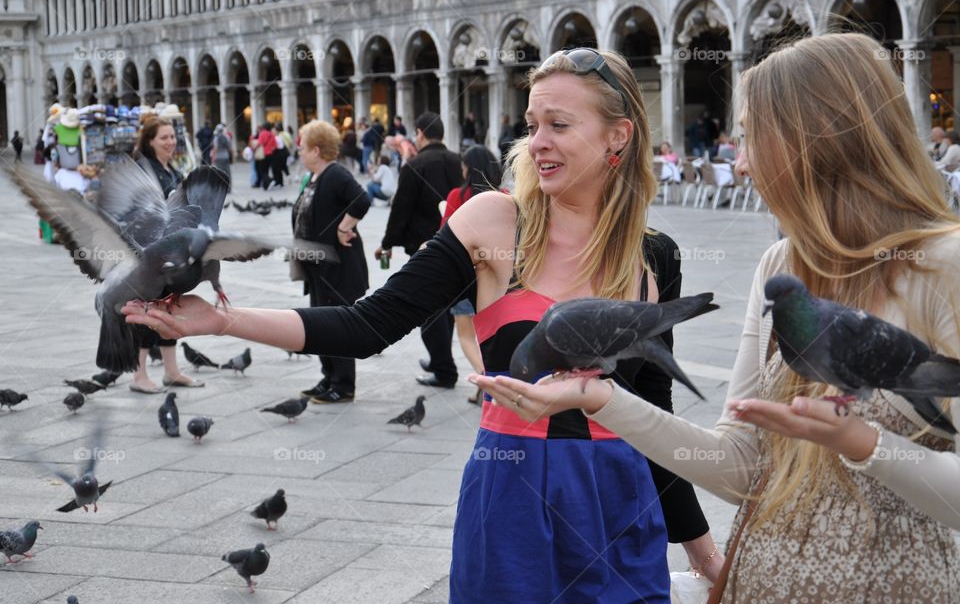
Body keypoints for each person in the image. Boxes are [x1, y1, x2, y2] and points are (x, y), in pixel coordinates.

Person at [122, 48, 720, 603]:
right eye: (532, 125)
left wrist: (704, 552)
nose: (537, 142)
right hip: (515, 497)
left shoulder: (653, 256)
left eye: (559, 126)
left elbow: (653, 410)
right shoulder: (493, 222)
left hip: (622, 502)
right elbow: (367, 325)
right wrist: (223, 322)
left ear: (619, 136)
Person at [477, 34, 960, 603]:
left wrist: (863, 443)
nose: (743, 160)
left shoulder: (943, 265)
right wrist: (601, 399)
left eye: (755, 136)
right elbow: (739, 465)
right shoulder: (781, 266)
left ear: (819, 139)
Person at [376, 112, 462, 389]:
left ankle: (444, 369)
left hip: (427, 247)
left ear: (421, 133)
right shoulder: (457, 161)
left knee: (430, 310)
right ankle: (440, 359)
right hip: (459, 244)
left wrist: (387, 243)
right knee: (447, 307)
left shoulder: (415, 165)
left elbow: (400, 210)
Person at [292, 120, 371, 404]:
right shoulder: (314, 177)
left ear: (316, 150)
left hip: (338, 268)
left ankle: (343, 385)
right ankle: (328, 377)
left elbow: (361, 200)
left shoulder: (335, 174)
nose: (299, 151)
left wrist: (343, 227)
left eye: (302, 146)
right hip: (318, 267)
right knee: (321, 323)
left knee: (338, 325)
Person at [129, 115, 203, 393]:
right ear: (150, 141)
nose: (171, 142)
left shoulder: (169, 169)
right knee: (147, 311)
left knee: (169, 307)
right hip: (148, 254)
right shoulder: (143, 170)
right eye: (164, 137)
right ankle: (139, 375)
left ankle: (171, 371)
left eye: (173, 136)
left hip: (170, 252)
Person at [440, 145, 503, 404]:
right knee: (489, 336)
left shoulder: (458, 195)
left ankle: (487, 382)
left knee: (466, 336)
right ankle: (489, 383)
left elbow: (445, 235)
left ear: (468, 167)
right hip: (494, 278)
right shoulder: (503, 197)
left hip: (462, 278)